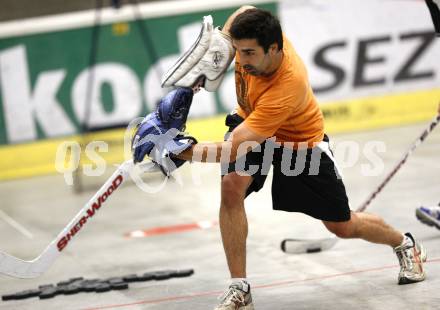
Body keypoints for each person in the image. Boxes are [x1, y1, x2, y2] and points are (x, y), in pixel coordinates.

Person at [133, 6, 427, 310]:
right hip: (250, 121)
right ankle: (239, 288)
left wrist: (177, 148)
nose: (242, 62)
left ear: (274, 49)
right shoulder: (260, 36)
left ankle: (404, 243)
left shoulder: (288, 84)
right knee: (232, 186)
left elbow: (235, 148)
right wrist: (219, 47)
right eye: (238, 52)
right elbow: (246, 9)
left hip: (300, 145)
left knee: (342, 225)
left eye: (249, 54)